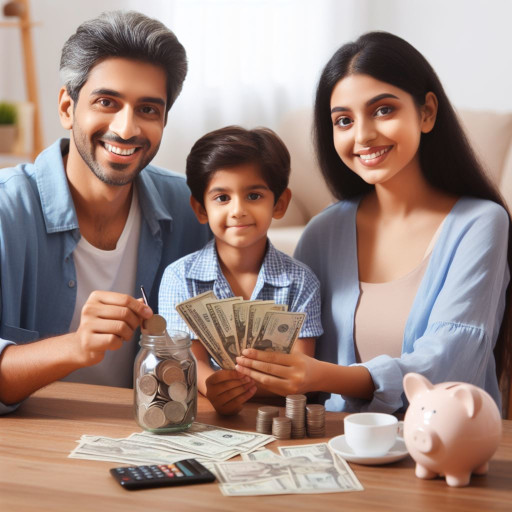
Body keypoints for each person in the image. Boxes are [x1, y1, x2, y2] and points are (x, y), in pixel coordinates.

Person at [235, 31, 511, 415]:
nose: (362, 135)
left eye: (383, 110)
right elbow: (292, 358)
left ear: (427, 112)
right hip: (332, 447)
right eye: (344, 120)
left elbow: (451, 359)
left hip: (442, 448)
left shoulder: (481, 223)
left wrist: (323, 376)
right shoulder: (321, 233)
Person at [0, 11, 211, 414]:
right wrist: (76, 346)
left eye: (148, 109)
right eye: (106, 102)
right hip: (27, 446)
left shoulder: (191, 211)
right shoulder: (6, 213)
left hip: (148, 437)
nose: (127, 128)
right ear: (67, 107)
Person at [158, 126, 323, 415]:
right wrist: (211, 385)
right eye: (222, 198)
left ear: (280, 203)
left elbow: (299, 373)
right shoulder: (179, 277)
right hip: (206, 414)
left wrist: (234, 386)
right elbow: (186, 361)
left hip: (281, 419)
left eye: (254, 196)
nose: (238, 210)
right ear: (200, 209)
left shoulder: (301, 281)